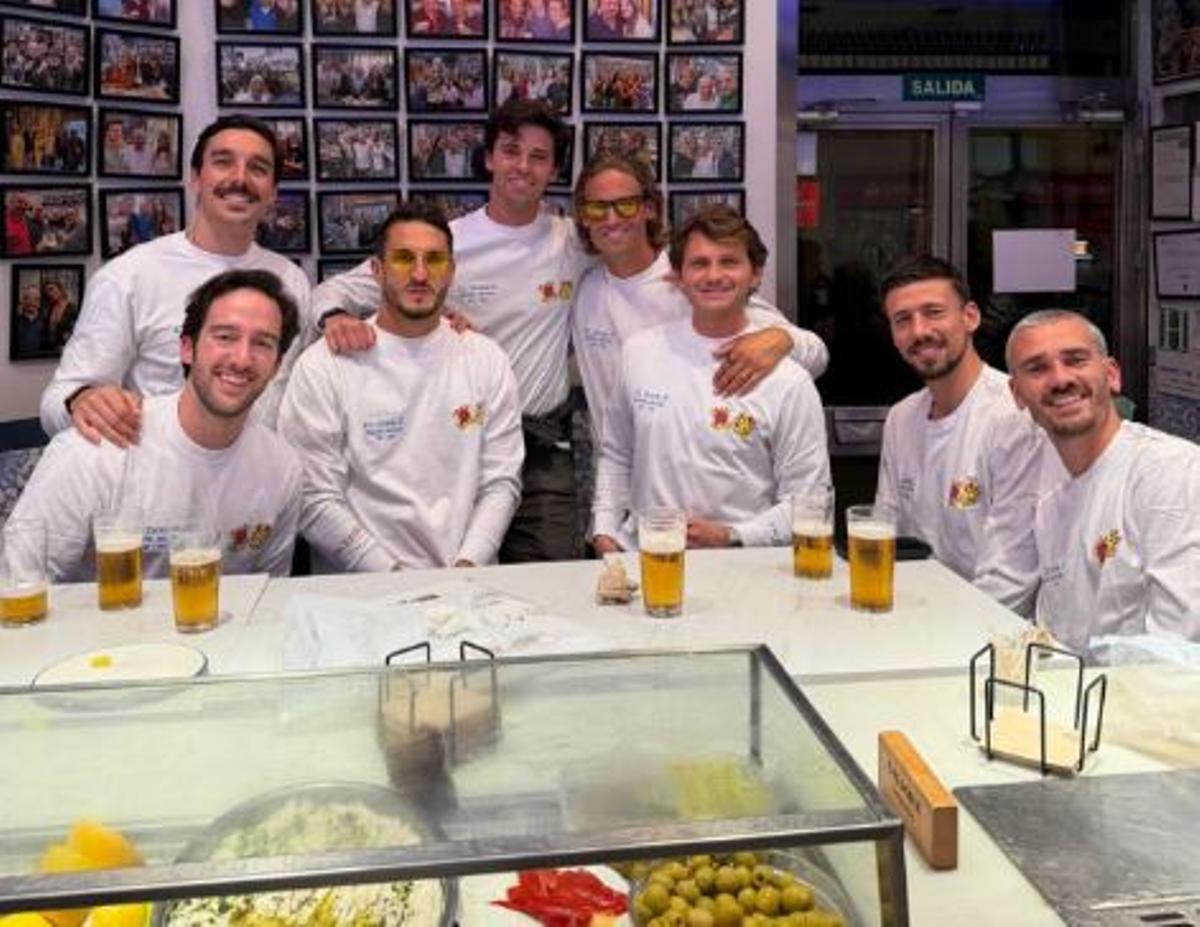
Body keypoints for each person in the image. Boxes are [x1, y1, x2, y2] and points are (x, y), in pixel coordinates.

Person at [311, 100, 590, 563]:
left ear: (555, 169)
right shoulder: (446, 242)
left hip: (541, 445)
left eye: (539, 156)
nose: (523, 166)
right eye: (511, 151)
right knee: (449, 571)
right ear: (488, 158)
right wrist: (335, 318)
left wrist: (757, 327)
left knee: (551, 585)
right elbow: (333, 290)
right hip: (453, 440)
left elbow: (656, 271)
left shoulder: (573, 241)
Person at [11, 269, 303, 582]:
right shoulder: (96, 449)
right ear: (187, 348)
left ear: (276, 365)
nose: (242, 359)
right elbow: (18, 586)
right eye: (225, 337)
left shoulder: (282, 468)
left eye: (262, 343)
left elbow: (268, 597)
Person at [39, 115, 313, 447]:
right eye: (223, 162)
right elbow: (57, 403)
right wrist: (82, 401)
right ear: (196, 179)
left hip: (260, 487)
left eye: (258, 168)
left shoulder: (292, 282)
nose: (240, 178)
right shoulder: (129, 277)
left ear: (272, 193)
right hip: (155, 485)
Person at [279, 203, 523, 572]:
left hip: (467, 587)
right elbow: (314, 497)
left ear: (452, 272)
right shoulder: (325, 365)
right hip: (360, 596)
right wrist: (392, 576)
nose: (421, 274)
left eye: (435, 260)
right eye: (404, 259)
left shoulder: (486, 359)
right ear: (377, 270)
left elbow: (501, 483)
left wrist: (468, 564)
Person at [592, 206, 830, 552]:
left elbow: (811, 504)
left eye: (729, 262)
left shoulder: (789, 381)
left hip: (744, 573)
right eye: (699, 263)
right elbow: (617, 453)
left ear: (755, 274)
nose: (713, 275)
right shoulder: (639, 352)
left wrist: (732, 536)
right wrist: (605, 531)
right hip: (644, 561)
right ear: (678, 276)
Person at [571, 153, 828, 463]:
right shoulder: (585, 291)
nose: (611, 219)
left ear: (649, 209)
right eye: (598, 208)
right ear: (584, 217)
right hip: (619, 479)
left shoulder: (689, 277)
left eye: (625, 204)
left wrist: (782, 339)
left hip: (700, 479)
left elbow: (815, 355)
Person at [1007, 309, 1200, 653]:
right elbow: (1057, 635)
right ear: (1017, 394)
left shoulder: (1170, 472)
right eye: (1037, 368)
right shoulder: (1050, 503)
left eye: (1076, 360)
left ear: (1111, 375)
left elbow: (1179, 645)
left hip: (1148, 701)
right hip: (1071, 695)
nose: (1060, 379)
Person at [875, 255, 1050, 609]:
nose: (919, 331)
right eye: (902, 320)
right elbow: (885, 533)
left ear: (970, 317)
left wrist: (942, 631)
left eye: (934, 312)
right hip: (912, 615)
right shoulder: (901, 418)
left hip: (990, 635)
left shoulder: (1013, 416)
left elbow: (1012, 576)